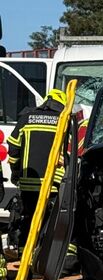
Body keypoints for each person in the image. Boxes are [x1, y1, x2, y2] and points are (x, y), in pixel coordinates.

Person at [6, 89, 67, 251]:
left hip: (28, 181)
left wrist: (16, 172)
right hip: (53, 182)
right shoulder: (63, 120)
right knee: (49, 221)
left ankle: (24, 253)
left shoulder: (26, 118)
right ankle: (43, 256)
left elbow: (13, 148)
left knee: (29, 218)